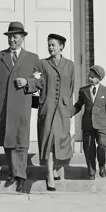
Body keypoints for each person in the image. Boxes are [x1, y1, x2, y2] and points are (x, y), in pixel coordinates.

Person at [0, 21, 40, 193]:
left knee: (21, 142)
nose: (12, 41)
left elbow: (40, 81)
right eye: (10, 37)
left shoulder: (32, 58)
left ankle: (21, 176)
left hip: (22, 106)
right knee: (7, 141)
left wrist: (27, 82)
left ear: (22, 38)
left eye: (15, 37)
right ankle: (12, 170)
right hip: (3, 106)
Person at [36, 33, 75, 191]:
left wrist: (67, 105)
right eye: (49, 44)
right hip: (48, 108)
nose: (51, 47)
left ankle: (54, 167)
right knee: (49, 142)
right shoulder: (42, 64)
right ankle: (49, 175)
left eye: (53, 45)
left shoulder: (70, 65)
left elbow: (71, 87)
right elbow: (37, 82)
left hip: (62, 109)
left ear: (61, 46)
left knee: (61, 141)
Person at [72, 64, 106, 179]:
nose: (89, 78)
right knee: (88, 148)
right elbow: (78, 105)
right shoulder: (83, 91)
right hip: (87, 124)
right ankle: (91, 172)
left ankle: (102, 164)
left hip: (101, 124)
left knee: (102, 145)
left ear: (99, 78)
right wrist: (69, 113)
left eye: (92, 77)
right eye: (89, 76)